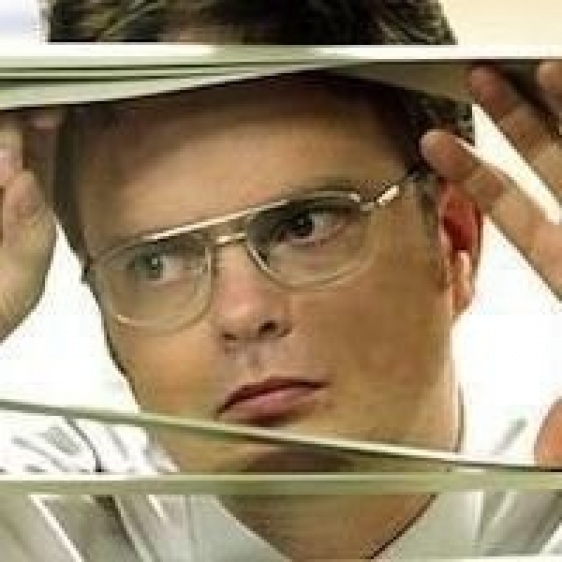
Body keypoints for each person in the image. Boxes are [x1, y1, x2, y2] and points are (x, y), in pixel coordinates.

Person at [0, 0, 560, 559]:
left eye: (303, 226)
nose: (242, 314)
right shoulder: (36, 522)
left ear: (454, 238)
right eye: (156, 263)